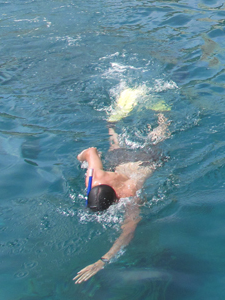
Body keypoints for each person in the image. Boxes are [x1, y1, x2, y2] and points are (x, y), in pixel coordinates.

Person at [73, 114, 170, 283]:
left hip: (145, 162)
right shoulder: (96, 177)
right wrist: (80, 158)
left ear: (116, 200)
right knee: (118, 149)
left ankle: (162, 117)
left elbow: (128, 232)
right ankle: (158, 118)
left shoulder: (130, 193)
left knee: (156, 143)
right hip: (124, 161)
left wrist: (103, 261)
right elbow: (91, 151)